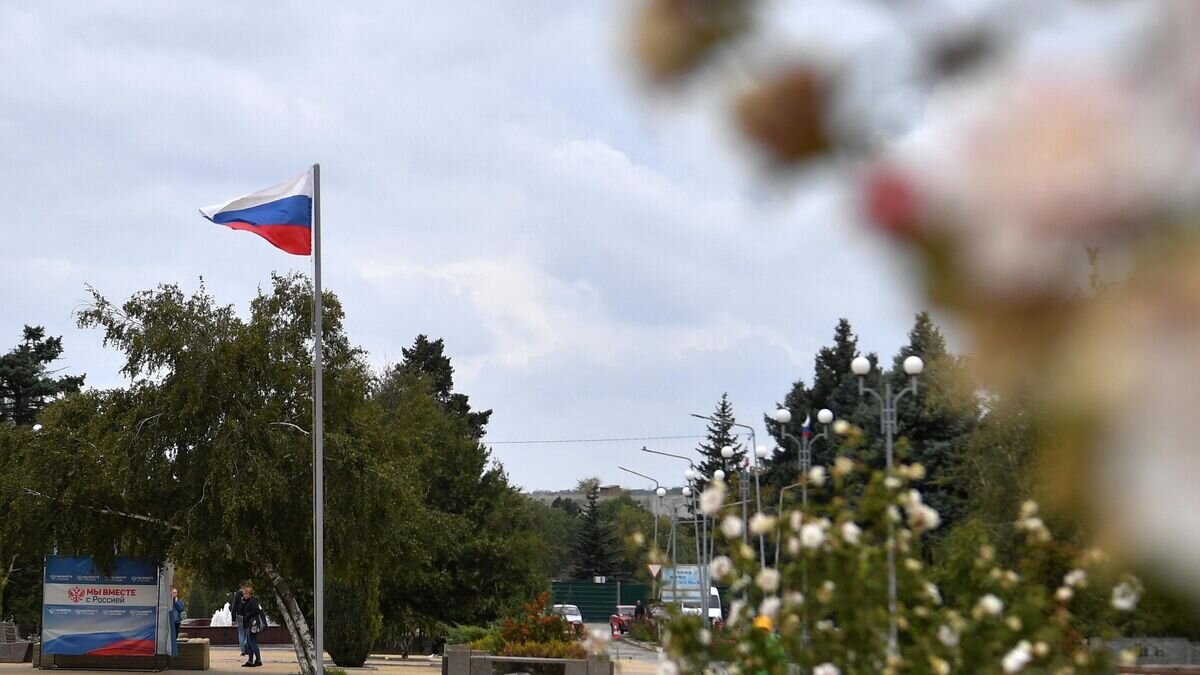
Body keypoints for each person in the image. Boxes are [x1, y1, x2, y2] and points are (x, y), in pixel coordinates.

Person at [240, 585, 264, 668]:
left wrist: (248, 616)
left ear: (250, 594)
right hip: (248, 624)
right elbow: (241, 610)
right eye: (244, 594)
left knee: (252, 642)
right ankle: (250, 661)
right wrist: (243, 602)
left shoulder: (253, 601)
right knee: (249, 643)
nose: (244, 595)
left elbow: (256, 610)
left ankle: (258, 660)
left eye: (246, 593)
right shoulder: (247, 601)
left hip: (252, 624)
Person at [231, 582, 247, 657]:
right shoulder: (248, 593)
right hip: (248, 615)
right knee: (247, 632)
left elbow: (234, 607)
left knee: (241, 633)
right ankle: (246, 647)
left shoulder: (237, 594)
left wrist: (233, 619)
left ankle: (242, 650)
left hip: (239, 615)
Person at [168, 588, 185, 656]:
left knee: (175, 637)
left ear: (177, 594)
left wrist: (176, 602)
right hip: (169, 622)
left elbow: (181, 609)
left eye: (175, 592)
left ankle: (174, 652)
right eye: (173, 592)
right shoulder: (169, 602)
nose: (174, 594)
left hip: (176, 622)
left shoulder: (179, 601)